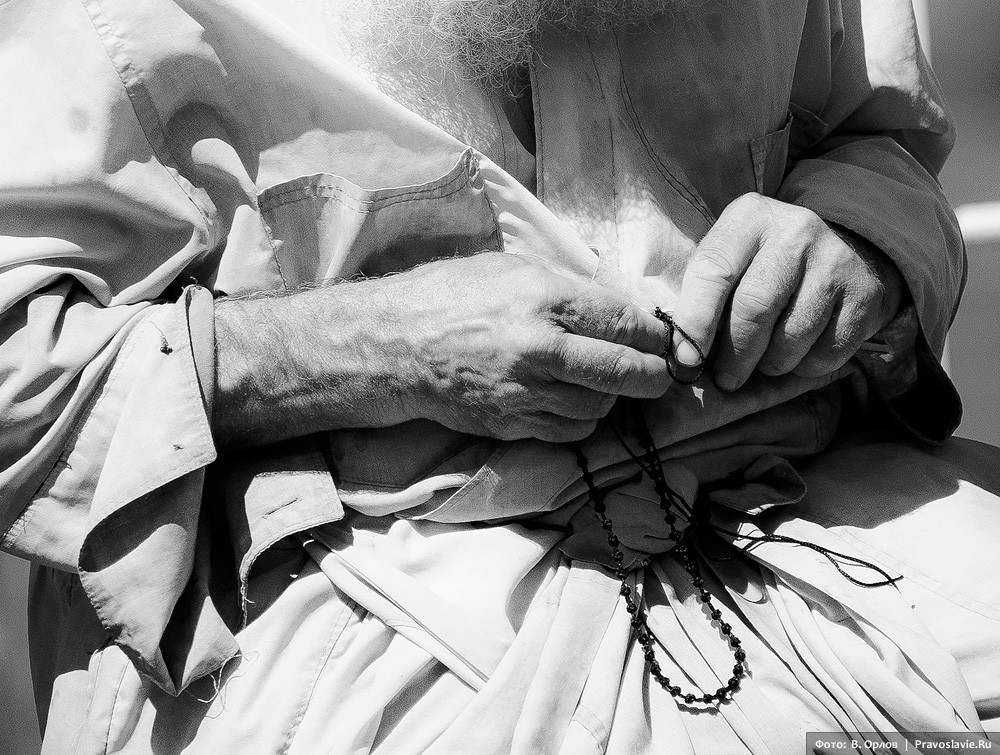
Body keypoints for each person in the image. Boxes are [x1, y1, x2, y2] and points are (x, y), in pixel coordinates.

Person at [1, 0, 998, 752]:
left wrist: (861, 240)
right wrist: (375, 347)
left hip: (823, 523)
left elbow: (882, 140)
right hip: (364, 605)